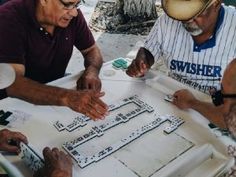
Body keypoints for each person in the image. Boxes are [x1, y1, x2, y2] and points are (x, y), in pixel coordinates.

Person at [126, 0, 236, 128]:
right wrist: (143, 61)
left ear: (216, 4)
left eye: (195, 13)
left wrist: (193, 103)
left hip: (216, 110)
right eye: (182, 12)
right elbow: (149, 50)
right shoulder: (168, 21)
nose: (187, 20)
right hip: (173, 98)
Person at [0, 0, 109, 120]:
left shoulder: (71, 17)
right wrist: (67, 97)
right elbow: (13, 84)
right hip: (11, 104)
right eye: (67, 5)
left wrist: (92, 71)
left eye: (77, 4)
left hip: (57, 89)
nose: (74, 13)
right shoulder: (8, 18)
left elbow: (91, 50)